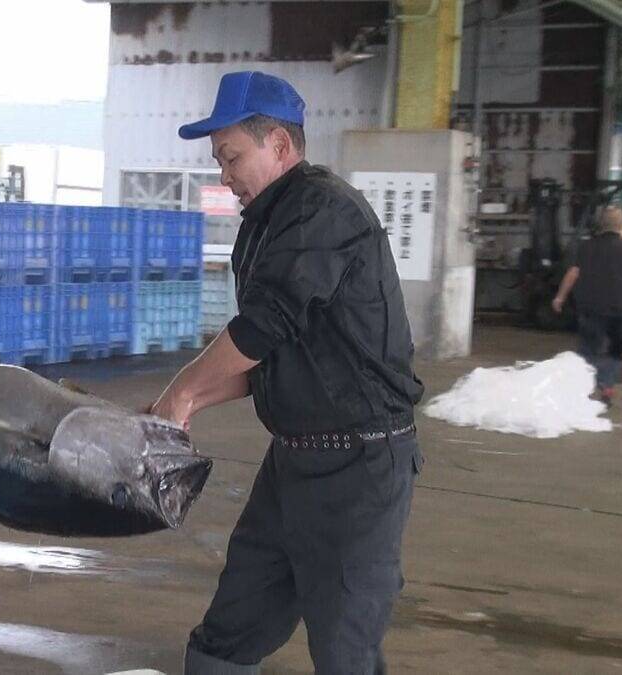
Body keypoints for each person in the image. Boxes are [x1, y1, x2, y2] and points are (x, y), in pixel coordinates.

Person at [150, 71, 425, 674]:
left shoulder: (323, 210)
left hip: (360, 467)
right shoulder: (263, 224)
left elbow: (258, 329)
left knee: (344, 649)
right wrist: (182, 407)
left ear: (278, 144)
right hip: (293, 462)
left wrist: (182, 390)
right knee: (232, 625)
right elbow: (262, 360)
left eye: (231, 157)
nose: (223, 175)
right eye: (219, 160)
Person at [552, 206, 622, 405]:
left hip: (590, 307)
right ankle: (607, 386)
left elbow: (573, 273)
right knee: (615, 349)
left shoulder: (586, 246)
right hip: (619, 309)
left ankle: (586, 388)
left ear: (600, 224)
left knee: (588, 349)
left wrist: (560, 297)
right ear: (621, 225)